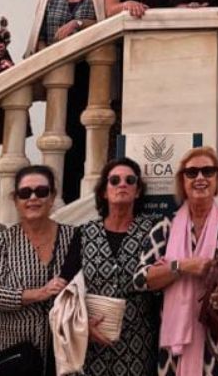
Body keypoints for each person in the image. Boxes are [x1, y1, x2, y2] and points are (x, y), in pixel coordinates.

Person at [135, 148, 218, 376]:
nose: (200, 178)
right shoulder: (164, 228)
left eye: (208, 171)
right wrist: (181, 266)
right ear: (182, 181)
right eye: (192, 173)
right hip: (175, 350)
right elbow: (141, 279)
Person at [24, 0, 107, 202]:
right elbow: (41, 27)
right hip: (57, 73)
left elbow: (107, 24)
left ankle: (82, 195)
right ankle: (61, 193)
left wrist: (78, 24)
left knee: (85, 135)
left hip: (90, 74)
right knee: (59, 134)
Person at [0, 165, 80, 375]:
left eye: (42, 191)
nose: (33, 198)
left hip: (61, 352)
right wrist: (39, 293)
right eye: (25, 193)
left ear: (52, 197)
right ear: (16, 200)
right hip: (14, 354)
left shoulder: (73, 238)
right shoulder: (4, 240)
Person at [73, 157, 159, 376]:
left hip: (137, 346)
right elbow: (67, 286)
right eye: (114, 180)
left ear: (138, 191)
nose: (122, 184)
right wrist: (82, 327)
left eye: (130, 180)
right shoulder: (84, 233)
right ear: (104, 191)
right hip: (90, 345)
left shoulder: (153, 232)